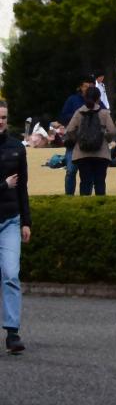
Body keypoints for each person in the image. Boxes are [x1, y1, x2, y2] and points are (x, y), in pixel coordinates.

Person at [0, 97, 30, 355]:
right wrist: (3, 185)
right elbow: (10, 184)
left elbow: (23, 188)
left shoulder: (17, 147)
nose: (1, 122)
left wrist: (26, 221)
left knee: (10, 274)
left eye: (4, 118)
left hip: (11, 219)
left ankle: (12, 332)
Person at [65, 85, 116, 196]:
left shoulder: (79, 113)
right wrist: (104, 139)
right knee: (100, 182)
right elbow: (112, 131)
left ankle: (85, 208)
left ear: (85, 97)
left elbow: (69, 130)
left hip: (82, 153)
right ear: (98, 98)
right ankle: (101, 208)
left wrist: (78, 139)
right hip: (101, 153)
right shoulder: (104, 113)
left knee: (85, 182)